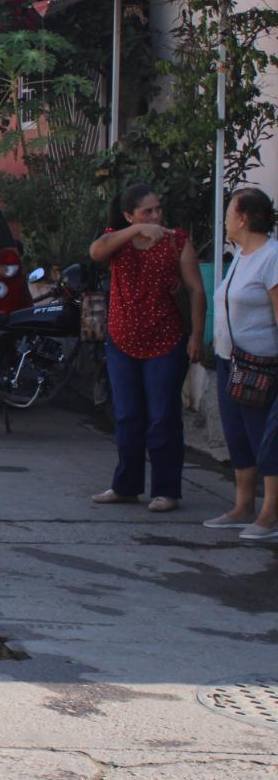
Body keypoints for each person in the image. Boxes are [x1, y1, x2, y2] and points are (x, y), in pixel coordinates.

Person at [89, 182, 205, 512]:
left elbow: (196, 290)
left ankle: (167, 490)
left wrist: (197, 335)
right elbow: (96, 252)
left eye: (158, 209)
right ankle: (125, 486)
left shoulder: (175, 240)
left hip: (165, 341)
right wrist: (136, 230)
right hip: (122, 340)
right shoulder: (118, 240)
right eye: (147, 211)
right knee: (126, 416)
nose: (156, 216)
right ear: (129, 215)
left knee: (162, 417)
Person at [205, 188, 278, 540]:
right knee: (237, 435)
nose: (226, 221)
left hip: (260, 366)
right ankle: (242, 505)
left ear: (244, 218)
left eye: (230, 213)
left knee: (263, 437)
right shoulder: (242, 255)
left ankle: (270, 514)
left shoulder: (271, 256)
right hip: (228, 360)